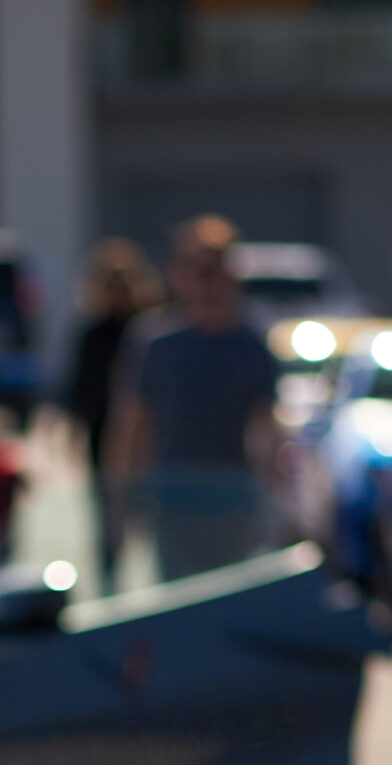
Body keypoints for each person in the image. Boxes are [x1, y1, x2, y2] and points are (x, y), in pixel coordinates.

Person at [106, 215, 279, 581]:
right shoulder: (156, 343)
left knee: (232, 598)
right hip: (173, 500)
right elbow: (133, 424)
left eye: (213, 269)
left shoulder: (251, 343)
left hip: (234, 501)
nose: (205, 281)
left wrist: (274, 497)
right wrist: (120, 503)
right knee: (180, 600)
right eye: (195, 269)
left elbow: (265, 427)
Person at [65, 239, 163, 572]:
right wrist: (73, 433)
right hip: (102, 431)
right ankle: (109, 570)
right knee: (107, 512)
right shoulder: (92, 333)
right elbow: (80, 387)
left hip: (145, 436)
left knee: (149, 513)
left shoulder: (149, 330)